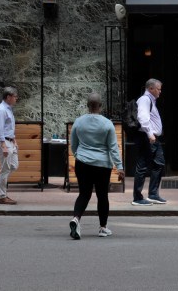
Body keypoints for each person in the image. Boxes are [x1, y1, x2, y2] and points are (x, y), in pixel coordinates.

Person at [68, 93, 125, 239]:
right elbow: (113, 147)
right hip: (102, 165)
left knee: (84, 194)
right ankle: (103, 228)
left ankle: (76, 218)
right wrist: (119, 167)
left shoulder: (79, 122)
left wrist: (78, 155)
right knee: (102, 195)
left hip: (83, 163)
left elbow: (73, 144)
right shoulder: (107, 124)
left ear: (87, 105)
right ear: (100, 106)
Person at [131, 78, 166, 206]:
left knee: (159, 163)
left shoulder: (151, 100)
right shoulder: (145, 100)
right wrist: (150, 134)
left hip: (153, 138)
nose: (160, 92)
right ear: (151, 88)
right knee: (143, 166)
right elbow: (142, 117)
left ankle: (153, 194)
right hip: (147, 138)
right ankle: (137, 197)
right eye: (158, 89)